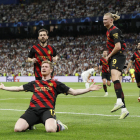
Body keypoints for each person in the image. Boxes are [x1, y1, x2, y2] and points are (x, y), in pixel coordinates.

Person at [0, 60, 102, 132]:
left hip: (47, 111)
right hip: (32, 110)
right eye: (42, 67)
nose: (43, 68)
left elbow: (74, 92)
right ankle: (30, 125)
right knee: (17, 129)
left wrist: (88, 89)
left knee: (50, 130)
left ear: (51, 70)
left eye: (46, 67)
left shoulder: (56, 84)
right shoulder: (35, 83)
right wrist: (4, 87)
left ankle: (59, 125)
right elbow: (18, 88)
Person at [103, 12, 129, 119]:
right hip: (115, 58)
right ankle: (124, 110)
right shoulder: (109, 31)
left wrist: (109, 56)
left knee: (114, 78)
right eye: (103, 19)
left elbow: (118, 47)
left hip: (117, 56)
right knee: (117, 82)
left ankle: (119, 101)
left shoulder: (114, 30)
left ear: (111, 20)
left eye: (105, 19)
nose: (103, 21)